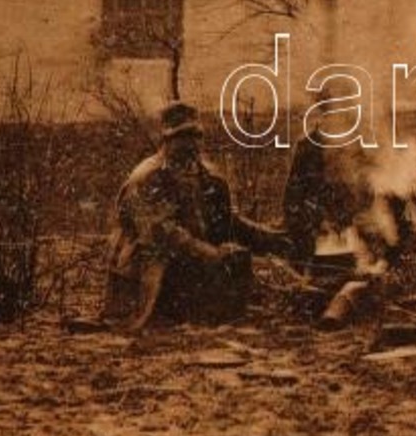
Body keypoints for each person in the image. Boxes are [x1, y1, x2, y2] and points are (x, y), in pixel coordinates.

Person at [104, 101, 294, 330]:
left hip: (193, 263)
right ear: (166, 139)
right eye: (183, 136)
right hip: (150, 272)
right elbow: (163, 235)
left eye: (195, 135)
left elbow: (227, 222)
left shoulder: (207, 175)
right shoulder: (148, 177)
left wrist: (272, 239)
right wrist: (214, 254)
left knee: (237, 261)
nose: (191, 143)